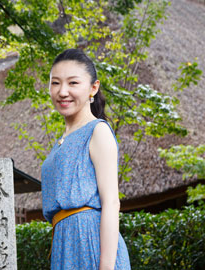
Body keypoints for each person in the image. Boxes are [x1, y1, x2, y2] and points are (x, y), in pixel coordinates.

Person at [41, 48, 131, 270]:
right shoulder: (62, 140)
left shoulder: (97, 131)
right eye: (55, 83)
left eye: (73, 83)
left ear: (93, 88)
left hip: (89, 243)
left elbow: (111, 202)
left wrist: (106, 268)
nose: (62, 91)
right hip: (65, 245)